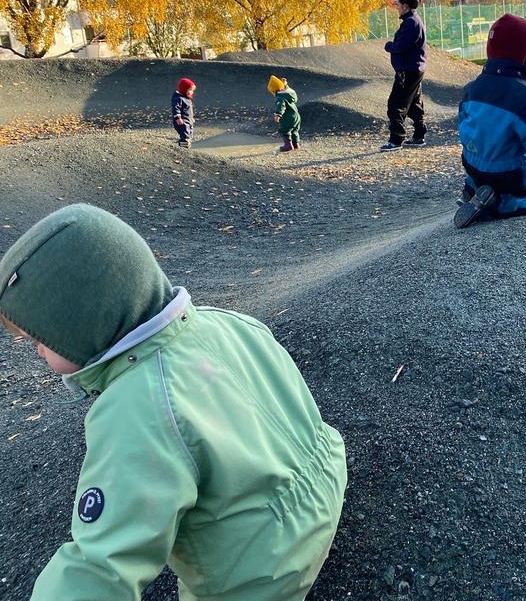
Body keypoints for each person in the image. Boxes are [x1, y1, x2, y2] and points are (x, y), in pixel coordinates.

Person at [0, 204, 347, 600]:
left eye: (40, 339)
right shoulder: (229, 321)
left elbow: (102, 563)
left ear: (85, 322)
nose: (38, 352)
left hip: (259, 574)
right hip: (323, 495)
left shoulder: (136, 406)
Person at [454, 14, 526, 229]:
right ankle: (506, 203)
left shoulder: (472, 88)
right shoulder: (525, 96)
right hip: (508, 172)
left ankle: (473, 190)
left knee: (482, 165)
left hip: (472, 164)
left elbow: (463, 125)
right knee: (525, 188)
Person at [381, 0, 427, 151]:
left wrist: (389, 46)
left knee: (396, 103)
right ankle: (419, 135)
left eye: (398, 4)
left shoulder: (410, 23)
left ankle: (396, 139)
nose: (397, 7)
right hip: (414, 68)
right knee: (414, 103)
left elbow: (402, 46)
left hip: (408, 70)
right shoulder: (413, 20)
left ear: (406, 6)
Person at [269, 74, 301, 152]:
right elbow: (288, 90)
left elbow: (281, 106)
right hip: (296, 116)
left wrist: (278, 114)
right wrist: (285, 85)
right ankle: (296, 144)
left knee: (285, 130)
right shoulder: (290, 94)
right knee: (294, 130)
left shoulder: (280, 97)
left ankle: (288, 146)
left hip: (288, 117)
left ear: (275, 90)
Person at [172, 78, 196, 148]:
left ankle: (186, 146)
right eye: (190, 90)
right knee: (185, 135)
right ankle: (183, 149)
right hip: (182, 121)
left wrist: (192, 119)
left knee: (189, 134)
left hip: (188, 120)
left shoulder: (186, 98)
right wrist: (178, 118)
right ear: (184, 90)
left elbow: (189, 110)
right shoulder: (178, 98)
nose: (192, 92)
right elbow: (176, 108)